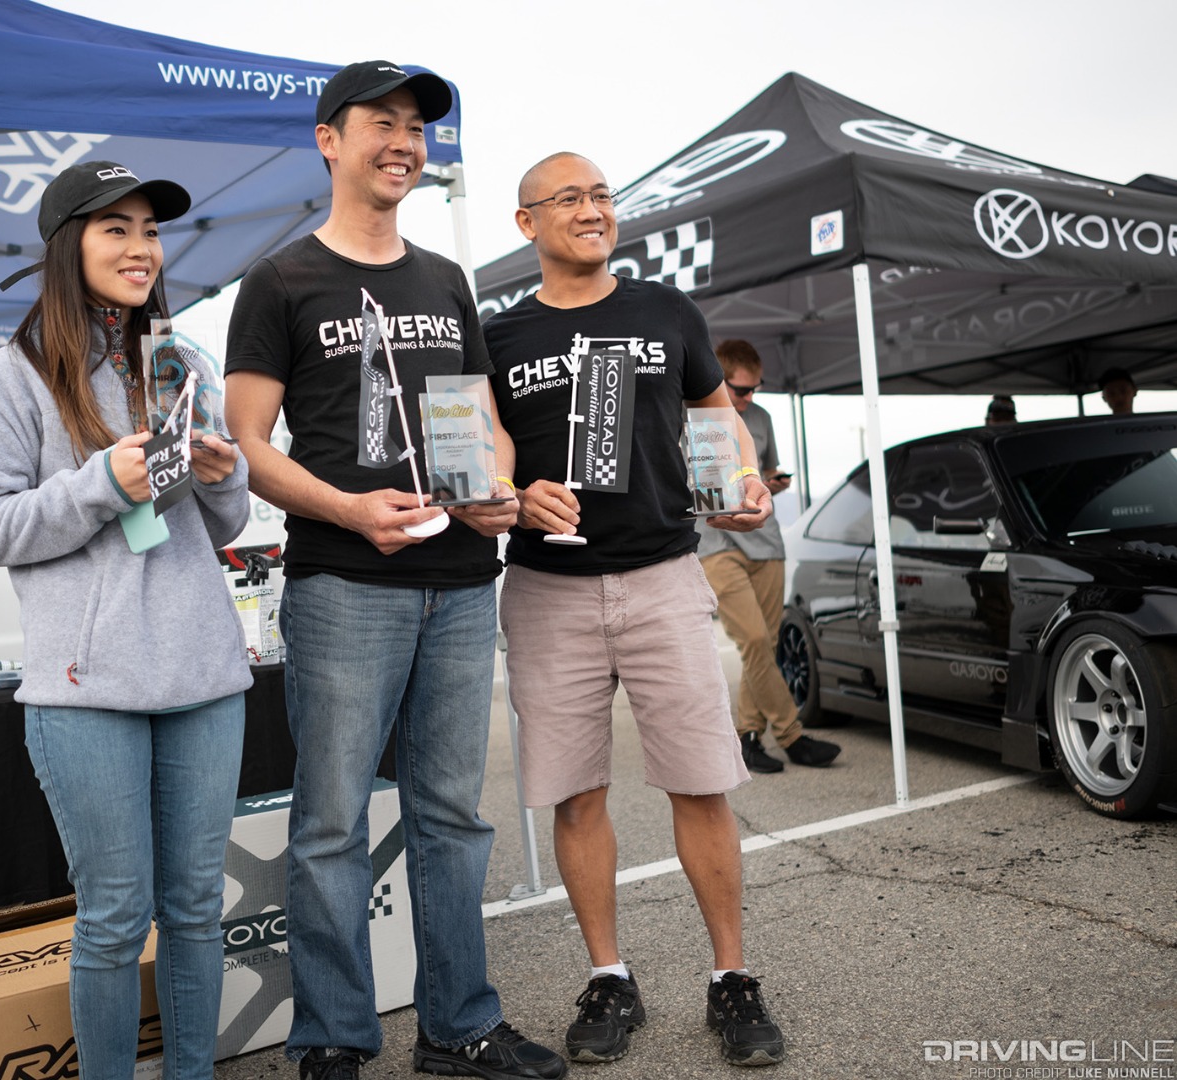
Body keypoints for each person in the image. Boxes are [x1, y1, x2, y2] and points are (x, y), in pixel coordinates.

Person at [224, 61, 562, 1080]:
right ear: (329, 139)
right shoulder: (281, 279)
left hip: (460, 581)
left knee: (452, 816)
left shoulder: (445, 278)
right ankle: (332, 1036)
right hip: (342, 583)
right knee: (330, 823)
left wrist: (499, 489)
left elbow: (482, 420)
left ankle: (459, 1027)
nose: (405, 142)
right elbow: (248, 446)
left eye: (416, 126)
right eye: (383, 121)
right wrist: (348, 509)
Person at [483, 151, 786, 1068]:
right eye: (570, 197)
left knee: (701, 781)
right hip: (548, 589)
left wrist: (738, 480)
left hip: (663, 573)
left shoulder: (665, 310)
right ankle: (609, 976)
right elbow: (489, 452)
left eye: (603, 195)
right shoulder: (499, 335)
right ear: (527, 222)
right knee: (577, 797)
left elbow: (715, 409)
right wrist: (513, 495)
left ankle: (731, 977)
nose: (594, 209)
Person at [0, 160, 251, 1080]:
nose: (140, 248)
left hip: (203, 675)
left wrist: (224, 475)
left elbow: (224, 525)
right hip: (86, 692)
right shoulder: (14, 375)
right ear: (67, 246)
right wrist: (101, 485)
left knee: (197, 909)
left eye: (150, 231)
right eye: (115, 228)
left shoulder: (181, 361)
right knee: (116, 918)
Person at [698, 340, 841, 775]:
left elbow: (767, 469)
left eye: (755, 389)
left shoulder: (761, 418)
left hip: (765, 541)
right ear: (719, 379)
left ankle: (747, 737)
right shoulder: (692, 415)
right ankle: (792, 734)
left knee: (766, 645)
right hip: (716, 544)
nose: (748, 397)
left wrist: (773, 481)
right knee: (755, 641)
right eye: (740, 390)